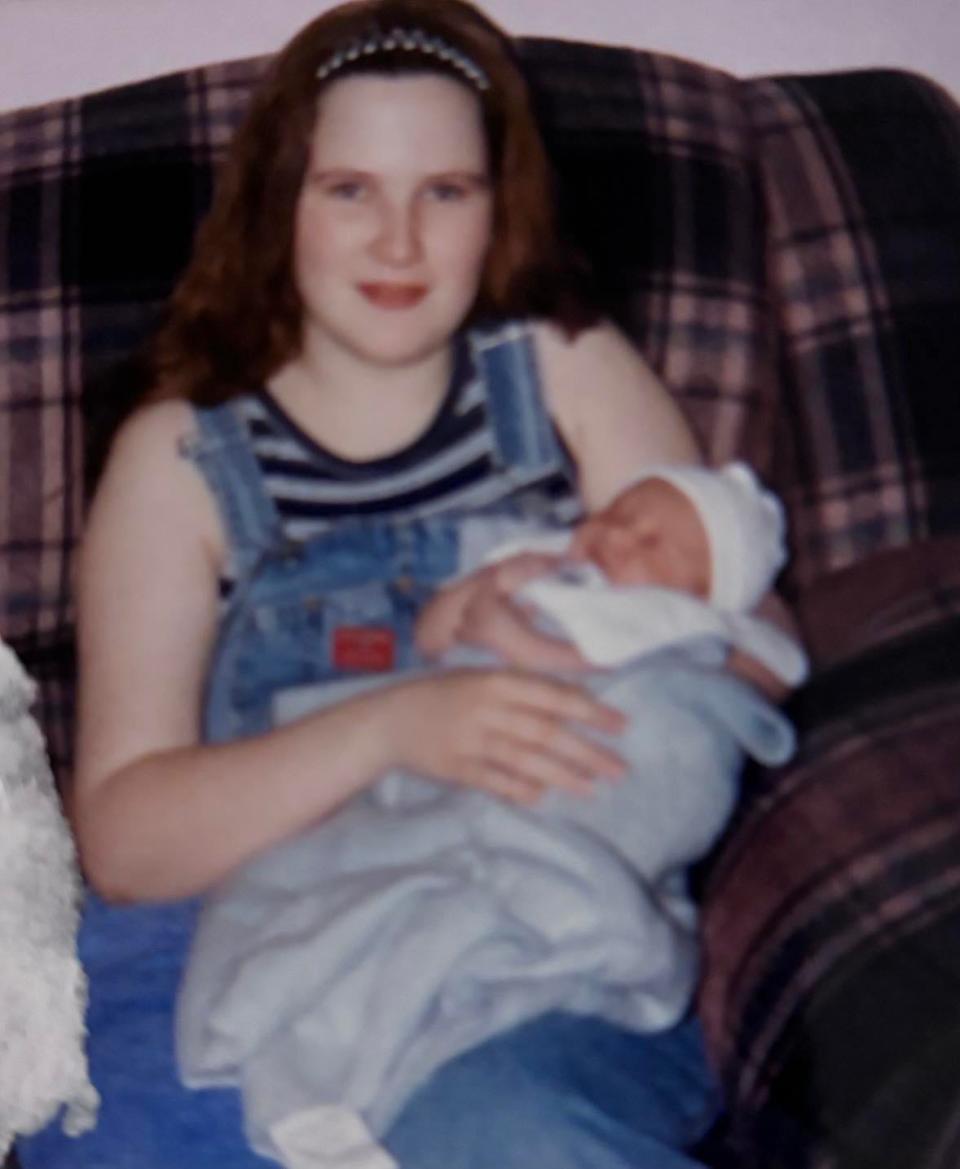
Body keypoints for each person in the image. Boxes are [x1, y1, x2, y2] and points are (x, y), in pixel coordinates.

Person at [18, 1, 795, 1166]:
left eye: (445, 192)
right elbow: (125, 839)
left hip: (526, 926)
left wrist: (596, 617)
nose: (398, 243)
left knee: (520, 1136)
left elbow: (748, 628)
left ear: (498, 209)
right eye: (350, 190)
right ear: (280, 204)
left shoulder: (563, 369)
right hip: (223, 939)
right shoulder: (181, 455)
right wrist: (401, 723)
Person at [173, 462, 804, 1168]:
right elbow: (438, 639)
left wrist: (516, 636)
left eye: (653, 541)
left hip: (580, 796)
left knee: (489, 1101)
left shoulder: (667, 619)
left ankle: (401, 1031)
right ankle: (353, 1065)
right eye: (618, 512)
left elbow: (751, 654)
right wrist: (483, 594)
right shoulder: (545, 571)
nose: (618, 533)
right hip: (398, 782)